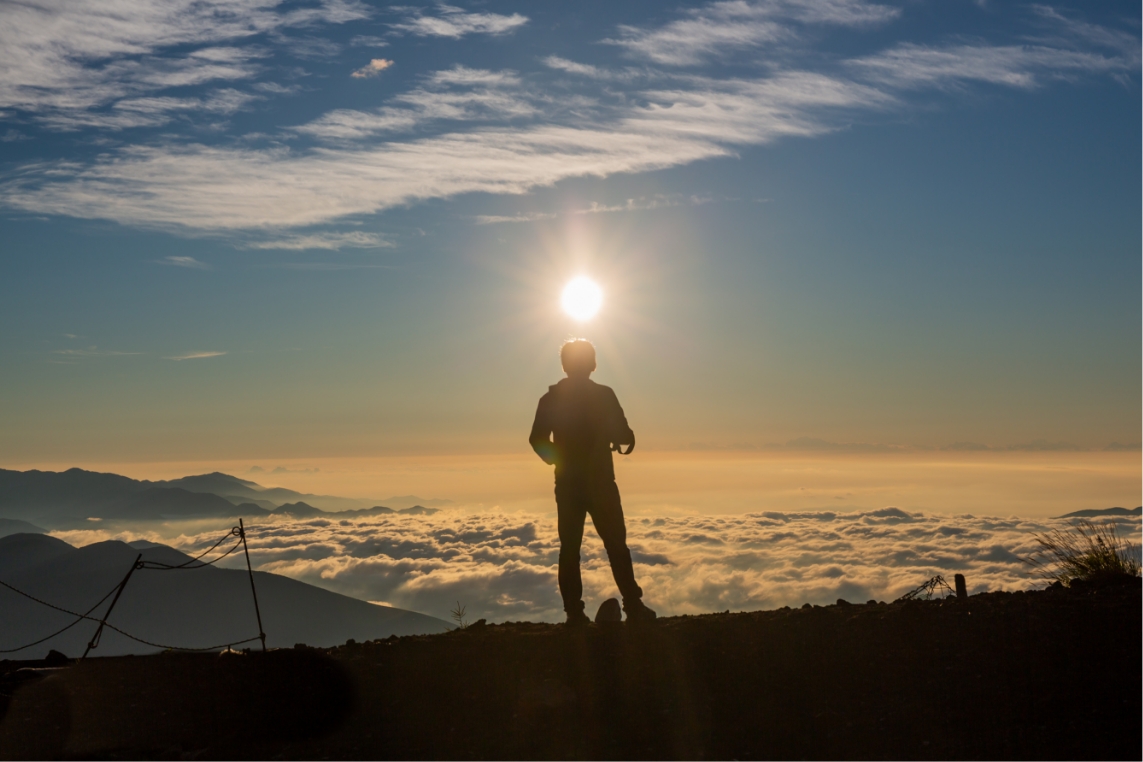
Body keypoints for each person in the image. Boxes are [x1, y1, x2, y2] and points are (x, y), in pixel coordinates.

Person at [529, 339, 657, 625]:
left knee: (570, 548)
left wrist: (559, 461)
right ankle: (633, 607)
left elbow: (536, 439)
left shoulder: (550, 399)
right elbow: (623, 434)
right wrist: (622, 436)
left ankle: (574, 614)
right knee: (616, 545)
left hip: (567, 484)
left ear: (564, 364)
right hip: (600, 482)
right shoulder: (604, 395)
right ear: (591, 364)